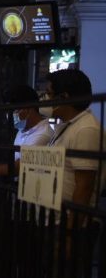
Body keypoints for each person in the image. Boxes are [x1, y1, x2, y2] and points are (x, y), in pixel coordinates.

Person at [40, 69, 104, 207]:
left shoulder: (86, 129)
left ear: (64, 97)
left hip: (66, 221)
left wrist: (70, 227)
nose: (45, 99)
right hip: (54, 217)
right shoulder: (68, 125)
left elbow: (85, 186)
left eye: (49, 94)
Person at [0, 84, 52, 178]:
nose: (9, 115)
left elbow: (19, 167)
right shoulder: (22, 130)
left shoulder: (43, 134)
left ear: (28, 108)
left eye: (14, 110)